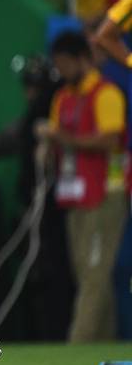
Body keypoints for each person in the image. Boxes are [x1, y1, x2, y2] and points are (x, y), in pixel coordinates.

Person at [41, 32, 127, 342]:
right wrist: (47, 147)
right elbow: (55, 135)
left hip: (106, 193)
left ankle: (78, 342)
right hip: (74, 194)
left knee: (93, 273)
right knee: (89, 274)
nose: (62, 71)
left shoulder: (107, 94)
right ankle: (102, 343)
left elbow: (110, 140)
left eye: (65, 64)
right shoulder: (62, 98)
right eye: (58, 65)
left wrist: (64, 139)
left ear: (83, 60)